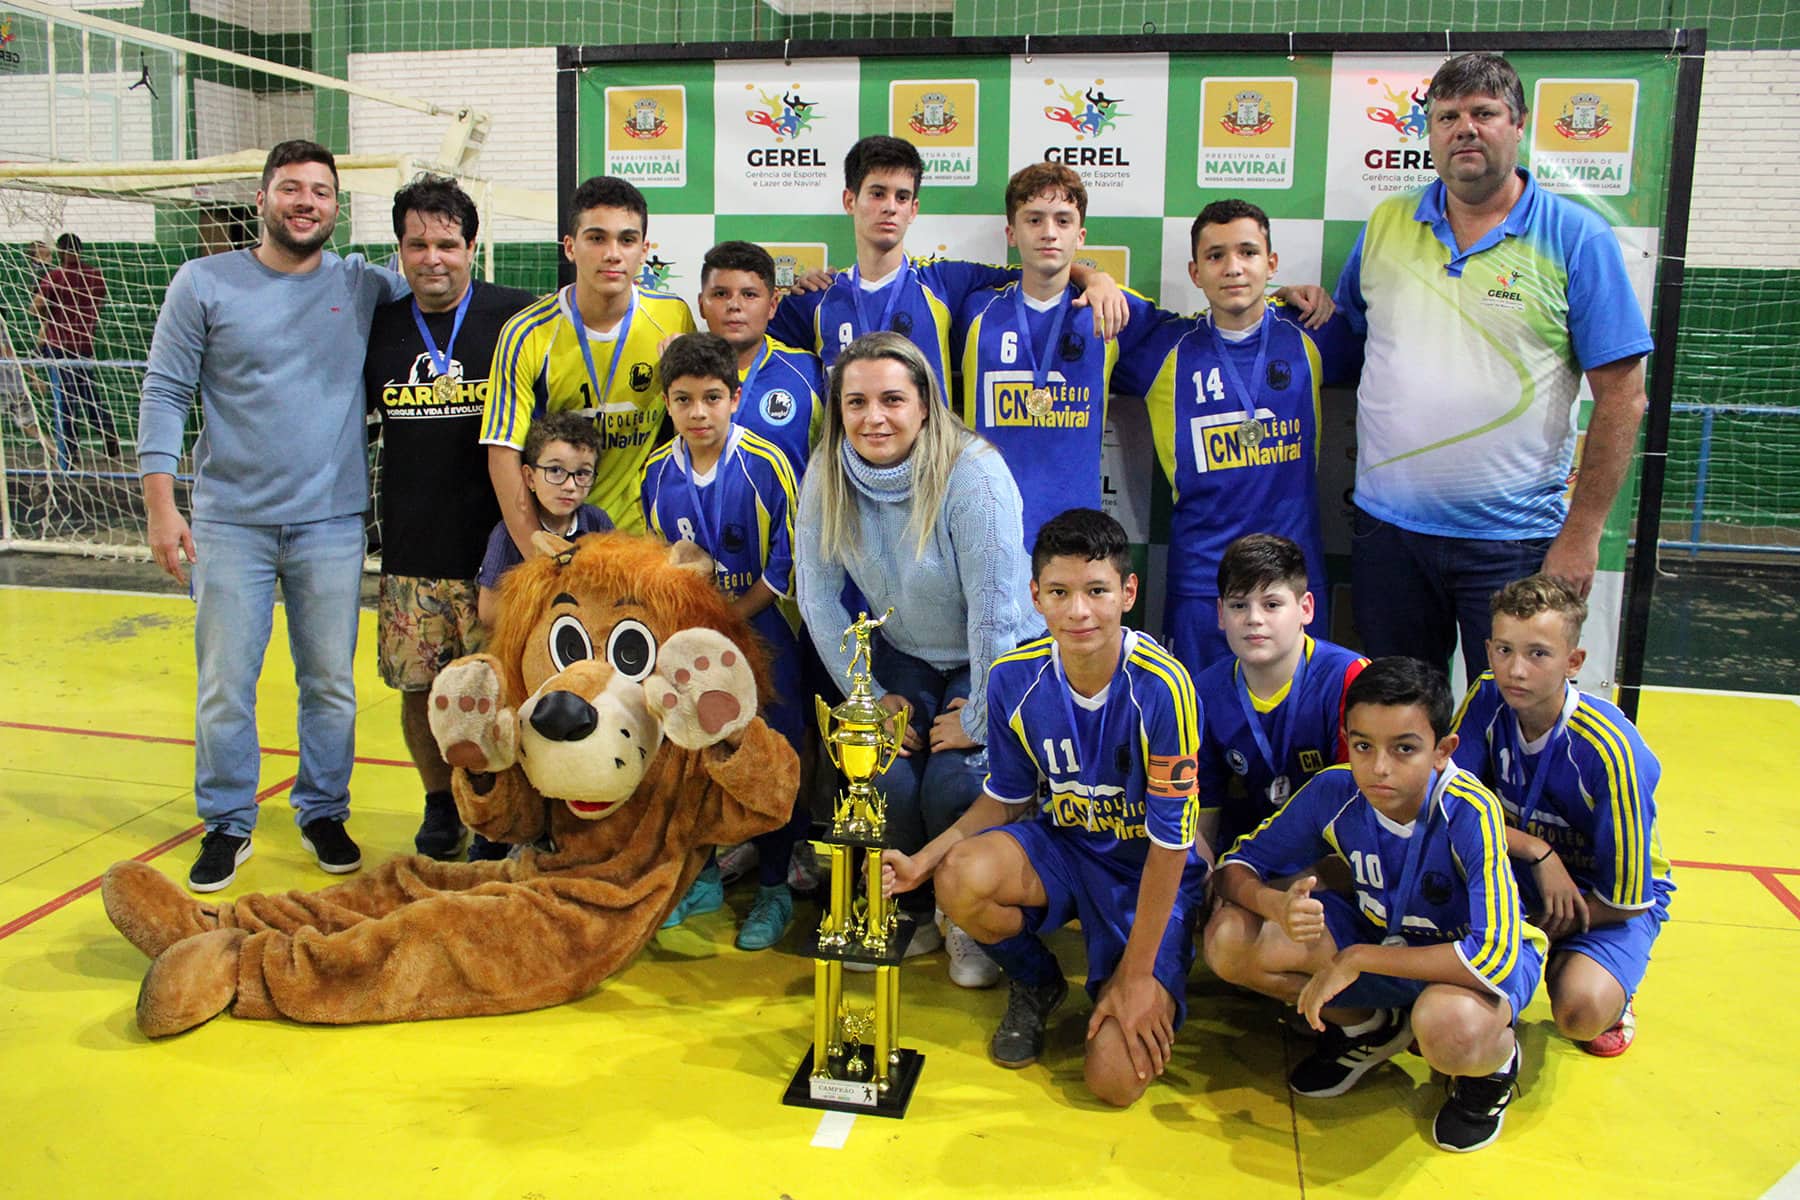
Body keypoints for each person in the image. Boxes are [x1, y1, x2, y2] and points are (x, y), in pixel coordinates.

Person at [138, 139, 411, 893]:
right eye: (290, 188)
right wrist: (163, 508)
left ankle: (323, 808)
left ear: (335, 208)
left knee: (330, 682)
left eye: (321, 192)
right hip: (231, 524)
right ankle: (227, 820)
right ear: (261, 200)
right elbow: (164, 393)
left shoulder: (362, 284)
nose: (306, 203)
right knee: (226, 681)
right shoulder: (202, 283)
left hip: (330, 523)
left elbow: (438, 287)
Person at [1333, 52, 1653, 681]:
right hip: (1388, 534)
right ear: (1429, 132)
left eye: (1484, 113)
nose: (1464, 129)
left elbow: (1623, 398)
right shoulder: (1386, 223)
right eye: (1447, 116)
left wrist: (1583, 533)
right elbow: (1351, 336)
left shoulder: (1576, 237)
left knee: (1511, 719)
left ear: (1519, 123)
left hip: (1514, 543)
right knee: (1398, 714)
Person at [881, 508, 1208, 1105]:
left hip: (1144, 871)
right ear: (1036, 596)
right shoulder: (1012, 678)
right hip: (1063, 849)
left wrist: (1137, 981)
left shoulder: (1166, 687)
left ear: (1128, 593)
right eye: (1060, 591)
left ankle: (1140, 969)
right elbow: (1004, 801)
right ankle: (1037, 983)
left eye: (1097, 591)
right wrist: (922, 863)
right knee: (961, 877)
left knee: (1111, 1080)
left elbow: (1172, 845)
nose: (1079, 610)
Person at [1203, 656, 1547, 1153]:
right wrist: (1273, 905)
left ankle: (1491, 1070)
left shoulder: (1471, 811)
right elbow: (1237, 864)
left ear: (1442, 751)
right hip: (1383, 938)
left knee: (1446, 1027)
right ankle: (1367, 1028)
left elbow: (1491, 954)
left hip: (1463, 967)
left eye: (1404, 748)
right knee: (1230, 940)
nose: (1379, 767)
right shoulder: (1335, 790)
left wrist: (1356, 958)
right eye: (1364, 746)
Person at [794, 331, 1040, 975]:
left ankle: (965, 918)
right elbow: (817, 597)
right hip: (903, 650)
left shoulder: (974, 472)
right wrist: (867, 699)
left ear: (926, 403)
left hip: (991, 651)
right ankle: (901, 907)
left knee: (958, 778)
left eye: (892, 399)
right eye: (856, 402)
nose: (873, 417)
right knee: (883, 774)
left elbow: (998, 612)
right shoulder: (826, 467)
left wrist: (982, 714)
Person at [363, 174, 537, 861]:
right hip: (412, 548)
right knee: (419, 691)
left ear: (472, 246)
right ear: (399, 250)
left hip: (501, 553)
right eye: (417, 244)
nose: (432, 257)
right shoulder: (378, 327)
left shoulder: (518, 317)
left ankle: (499, 810)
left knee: (504, 693)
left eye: (447, 243)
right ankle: (440, 805)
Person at [1111, 198, 1359, 677]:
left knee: (1299, 726)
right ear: (1195, 271)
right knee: (1198, 727)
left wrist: (1305, 297)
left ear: (1272, 263)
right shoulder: (1165, 348)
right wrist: (1093, 277)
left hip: (1292, 583)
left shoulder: (1313, 334)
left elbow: (1391, 350)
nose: (1233, 268)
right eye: (1216, 256)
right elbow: (1076, 324)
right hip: (1204, 585)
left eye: (1248, 253)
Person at [1451, 574, 1672, 1057]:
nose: (1517, 671)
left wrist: (1530, 928)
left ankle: (1609, 986)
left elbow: (1631, 897)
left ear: (1573, 662)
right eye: (1504, 650)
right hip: (1519, 867)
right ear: (1487, 650)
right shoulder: (1487, 696)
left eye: (1538, 654)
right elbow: (1450, 803)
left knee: (1580, 1013)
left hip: (1604, 896)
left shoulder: (1613, 753)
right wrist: (1536, 851)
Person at [639, 332, 805, 949]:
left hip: (764, 631)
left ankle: (774, 886)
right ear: (667, 404)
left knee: (773, 750)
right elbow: (665, 561)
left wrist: (733, 614)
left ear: (736, 398)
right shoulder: (657, 475)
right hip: (695, 637)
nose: (698, 413)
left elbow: (786, 564)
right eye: (683, 401)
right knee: (694, 749)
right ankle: (704, 873)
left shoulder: (769, 464)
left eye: (712, 398)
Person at [768, 135, 1128, 390]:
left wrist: (1096, 279)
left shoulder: (944, 282)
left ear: (914, 209)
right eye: (877, 193)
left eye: (902, 196)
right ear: (850, 201)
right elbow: (757, 353)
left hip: (929, 485)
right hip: (845, 479)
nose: (890, 206)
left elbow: (1041, 267)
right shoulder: (815, 299)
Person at [955, 163, 1162, 552]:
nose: (1049, 232)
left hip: (1075, 538)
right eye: (1034, 219)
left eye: (1063, 220)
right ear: (1011, 233)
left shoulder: (1111, 310)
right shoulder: (972, 309)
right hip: (985, 533)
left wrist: (1288, 300)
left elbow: (1206, 331)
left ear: (1080, 235)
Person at [481, 175, 696, 542]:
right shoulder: (526, 332)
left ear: (644, 249)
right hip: (559, 533)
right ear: (569, 246)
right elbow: (504, 454)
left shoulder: (673, 318)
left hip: (641, 539)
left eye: (626, 240)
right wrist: (538, 552)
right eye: (596, 238)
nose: (612, 253)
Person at [1193, 534, 1367, 857]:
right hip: (1239, 865)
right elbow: (1203, 818)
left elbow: (1358, 810)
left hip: (1330, 865)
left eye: (1272, 604)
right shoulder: (1201, 693)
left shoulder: (1351, 679)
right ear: (1220, 613)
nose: (1254, 619)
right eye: (1238, 605)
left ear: (1306, 608)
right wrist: (1207, 882)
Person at [696, 240, 824, 477]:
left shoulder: (810, 375)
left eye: (749, 294)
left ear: (773, 304)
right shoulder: (681, 374)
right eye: (721, 294)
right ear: (702, 304)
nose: (735, 305)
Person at [476, 410, 614, 627]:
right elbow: (488, 612)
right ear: (530, 477)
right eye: (556, 470)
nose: (570, 486)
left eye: (582, 473)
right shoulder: (507, 535)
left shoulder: (598, 522)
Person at [33, 231, 118, 463]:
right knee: (87, 392)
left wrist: (50, 315)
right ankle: (106, 429)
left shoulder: (55, 276)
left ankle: (68, 453)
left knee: (64, 400)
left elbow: (37, 306)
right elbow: (97, 305)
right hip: (83, 343)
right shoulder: (96, 277)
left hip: (59, 344)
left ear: (61, 251)